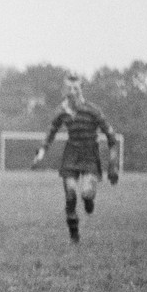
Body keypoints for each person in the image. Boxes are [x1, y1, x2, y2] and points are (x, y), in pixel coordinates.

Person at [31, 74, 119, 243]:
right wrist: (41, 153)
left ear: (81, 90)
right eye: (69, 89)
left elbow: (112, 139)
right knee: (70, 195)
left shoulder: (93, 110)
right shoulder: (62, 111)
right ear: (65, 91)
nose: (72, 92)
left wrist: (113, 166)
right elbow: (51, 132)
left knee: (86, 193)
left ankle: (89, 201)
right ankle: (74, 236)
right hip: (71, 154)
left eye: (75, 89)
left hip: (89, 155)